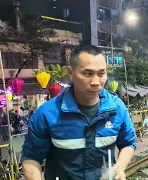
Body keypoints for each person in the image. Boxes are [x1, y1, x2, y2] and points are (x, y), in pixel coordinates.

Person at [21, 45, 136, 180]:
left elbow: (128, 142)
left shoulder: (117, 109)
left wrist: (120, 168)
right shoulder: (47, 114)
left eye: (101, 73)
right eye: (87, 73)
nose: (96, 82)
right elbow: (31, 158)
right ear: (71, 73)